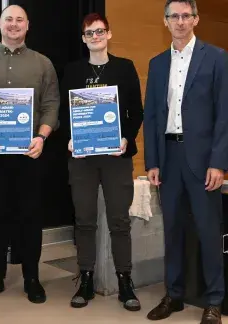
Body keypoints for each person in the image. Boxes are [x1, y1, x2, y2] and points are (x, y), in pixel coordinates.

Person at [0, 4, 59, 304]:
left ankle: (32, 277)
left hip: (30, 153)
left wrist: (42, 137)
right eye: (9, 20)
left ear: (27, 26)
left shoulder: (43, 64)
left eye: (19, 20)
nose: (14, 25)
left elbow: (51, 105)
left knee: (30, 215)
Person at [143, 1, 228, 323]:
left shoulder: (217, 58)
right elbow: (152, 116)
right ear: (165, 22)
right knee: (173, 231)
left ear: (196, 19)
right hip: (168, 158)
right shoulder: (157, 63)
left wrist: (219, 162)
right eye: (173, 16)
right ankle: (174, 295)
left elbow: (224, 115)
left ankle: (214, 300)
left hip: (204, 160)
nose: (180, 22)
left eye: (185, 16)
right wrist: (152, 161)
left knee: (208, 231)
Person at [60, 12, 144, 311]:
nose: (95, 37)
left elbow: (136, 112)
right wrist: (70, 138)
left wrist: (126, 139)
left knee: (119, 221)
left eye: (100, 31)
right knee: (84, 220)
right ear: (83, 39)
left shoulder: (124, 68)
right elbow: (64, 114)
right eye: (89, 33)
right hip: (82, 158)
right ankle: (85, 278)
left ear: (108, 34)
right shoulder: (71, 71)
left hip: (115, 157)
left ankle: (124, 279)